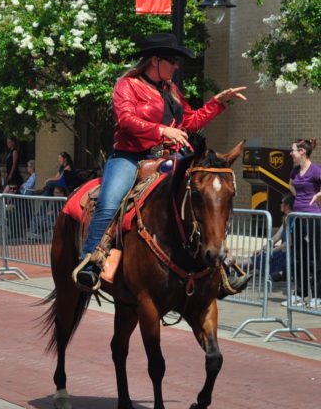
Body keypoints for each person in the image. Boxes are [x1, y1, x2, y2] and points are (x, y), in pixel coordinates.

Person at [73, 32, 248, 291]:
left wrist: (217, 102)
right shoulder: (127, 85)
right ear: (155, 60)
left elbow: (190, 123)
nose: (176, 67)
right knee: (110, 202)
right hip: (130, 157)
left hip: (168, 157)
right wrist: (161, 130)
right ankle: (91, 262)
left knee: (203, 195)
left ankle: (219, 261)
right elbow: (126, 121)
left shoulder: (171, 90)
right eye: (172, 61)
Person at [284, 139, 321, 307]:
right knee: (300, 257)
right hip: (298, 217)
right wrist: (298, 197)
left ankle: (318, 296)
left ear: (302, 152)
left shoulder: (315, 170)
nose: (291, 153)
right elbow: (291, 184)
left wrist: (318, 196)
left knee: (316, 258)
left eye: (293, 151)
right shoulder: (295, 170)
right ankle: (300, 293)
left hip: (313, 219)